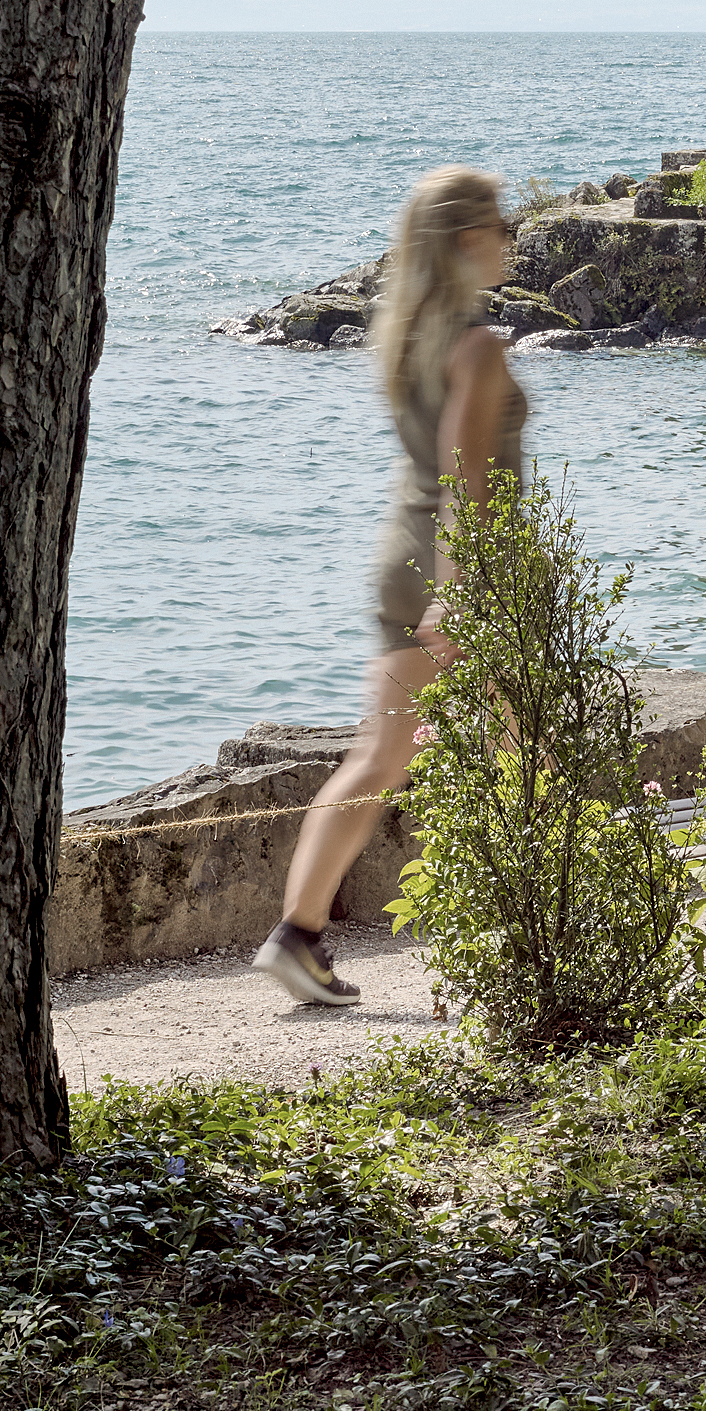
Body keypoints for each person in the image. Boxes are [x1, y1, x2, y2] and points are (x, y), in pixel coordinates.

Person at [252, 163, 526, 1008]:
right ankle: (540, 938)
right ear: (466, 240)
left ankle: (296, 935)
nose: (513, 236)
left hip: (403, 558)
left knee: (384, 755)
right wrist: (464, 588)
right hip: (460, 568)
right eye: (502, 223)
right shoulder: (476, 345)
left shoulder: (411, 337)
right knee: (521, 751)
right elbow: (467, 477)